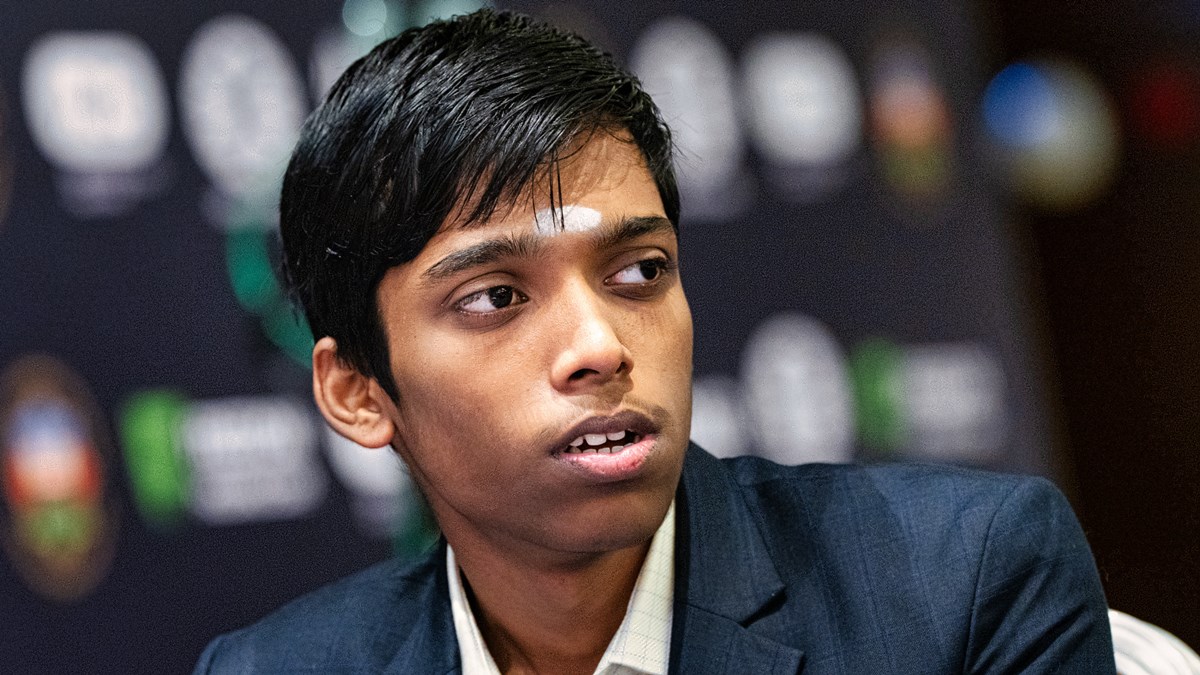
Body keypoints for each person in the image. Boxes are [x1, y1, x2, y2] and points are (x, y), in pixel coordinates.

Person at [193, 9, 1115, 674]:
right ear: (357, 390)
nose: (599, 345)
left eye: (639, 271)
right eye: (497, 296)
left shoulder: (965, 584)